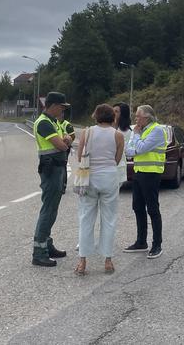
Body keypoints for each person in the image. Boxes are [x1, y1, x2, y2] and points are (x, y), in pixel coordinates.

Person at [74, 104, 124, 275]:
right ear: (113, 117)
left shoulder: (87, 132)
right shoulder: (118, 135)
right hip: (109, 177)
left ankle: (82, 261)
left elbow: (80, 156)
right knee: (109, 219)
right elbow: (117, 159)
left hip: (89, 178)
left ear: (95, 116)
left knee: (86, 218)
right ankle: (108, 260)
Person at [31, 92, 73, 267]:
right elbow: (62, 144)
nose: (63, 110)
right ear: (53, 105)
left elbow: (68, 138)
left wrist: (67, 139)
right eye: (62, 107)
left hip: (57, 167)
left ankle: (47, 245)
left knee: (52, 209)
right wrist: (66, 141)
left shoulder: (54, 122)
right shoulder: (44, 123)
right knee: (48, 209)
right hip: (51, 169)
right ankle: (39, 252)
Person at [123, 104, 168, 259]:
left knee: (153, 209)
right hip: (139, 173)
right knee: (138, 207)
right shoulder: (142, 131)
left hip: (151, 174)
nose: (136, 119)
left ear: (147, 116)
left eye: (138, 116)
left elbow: (140, 149)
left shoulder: (156, 130)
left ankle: (157, 245)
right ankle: (141, 241)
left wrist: (135, 137)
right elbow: (129, 151)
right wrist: (135, 141)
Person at [113, 102, 132, 185]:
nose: (113, 113)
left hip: (118, 166)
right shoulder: (107, 128)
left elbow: (127, 151)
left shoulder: (127, 132)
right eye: (112, 111)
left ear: (123, 114)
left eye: (116, 111)